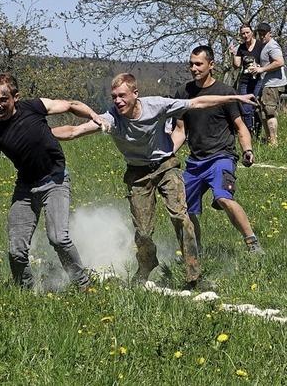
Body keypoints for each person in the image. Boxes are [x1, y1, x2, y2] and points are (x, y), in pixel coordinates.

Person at [52, 73, 257, 289]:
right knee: (143, 232)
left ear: (135, 94)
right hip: (138, 175)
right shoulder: (111, 119)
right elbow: (75, 131)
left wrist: (234, 98)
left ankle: (194, 276)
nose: (118, 101)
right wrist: (42, 132)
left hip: (165, 166)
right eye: (114, 97)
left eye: (122, 95)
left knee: (181, 218)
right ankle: (146, 265)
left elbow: (197, 102)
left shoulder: (156, 105)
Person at [0, 73, 104, 291]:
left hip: (55, 180)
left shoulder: (34, 107)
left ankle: (83, 284)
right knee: (16, 250)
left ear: (16, 97)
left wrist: (93, 115)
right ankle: (26, 291)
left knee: (58, 239)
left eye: (2, 100)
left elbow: (70, 105)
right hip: (25, 188)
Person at [172, 45, 264, 255]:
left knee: (223, 197)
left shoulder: (225, 93)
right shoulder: (183, 93)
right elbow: (179, 131)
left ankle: (252, 243)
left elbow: (241, 127)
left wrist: (247, 150)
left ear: (211, 65)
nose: (194, 68)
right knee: (182, 208)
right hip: (195, 162)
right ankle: (194, 251)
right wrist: (168, 154)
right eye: (191, 64)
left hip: (221, 157)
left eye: (199, 64)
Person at [249, 23, 287, 146]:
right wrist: (259, 67)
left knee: (269, 111)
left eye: (264, 33)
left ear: (270, 33)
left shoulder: (272, 46)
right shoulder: (265, 46)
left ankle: (274, 142)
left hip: (273, 84)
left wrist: (261, 70)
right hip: (266, 83)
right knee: (261, 109)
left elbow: (280, 62)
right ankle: (269, 139)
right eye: (260, 33)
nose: (261, 36)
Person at [230, 24, 264, 136]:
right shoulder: (241, 48)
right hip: (245, 81)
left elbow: (267, 61)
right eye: (243, 34)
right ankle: (249, 132)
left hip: (258, 80)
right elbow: (237, 65)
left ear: (252, 32)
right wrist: (233, 54)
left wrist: (259, 67)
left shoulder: (260, 45)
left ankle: (258, 131)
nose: (245, 35)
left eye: (247, 32)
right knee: (245, 107)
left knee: (257, 106)